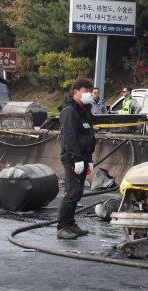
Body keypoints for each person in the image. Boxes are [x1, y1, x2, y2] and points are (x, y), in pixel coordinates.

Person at [57, 76, 96, 240]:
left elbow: (87, 135)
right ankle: (62, 227)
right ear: (76, 92)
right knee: (72, 192)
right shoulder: (70, 111)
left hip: (83, 157)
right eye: (86, 92)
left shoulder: (84, 111)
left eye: (90, 92)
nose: (89, 95)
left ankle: (71, 223)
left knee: (78, 192)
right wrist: (77, 158)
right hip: (73, 158)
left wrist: (89, 159)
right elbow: (70, 137)